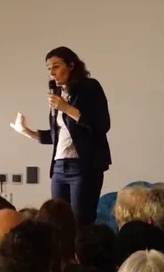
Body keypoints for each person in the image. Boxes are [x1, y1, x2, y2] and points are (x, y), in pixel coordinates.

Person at [10, 46, 111, 226]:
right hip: (58, 167)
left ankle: (80, 254)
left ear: (71, 65)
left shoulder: (90, 87)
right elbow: (59, 135)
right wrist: (26, 131)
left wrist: (67, 109)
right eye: (49, 69)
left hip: (83, 166)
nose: (52, 73)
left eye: (56, 66)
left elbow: (101, 125)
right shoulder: (58, 96)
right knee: (56, 222)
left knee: (80, 222)